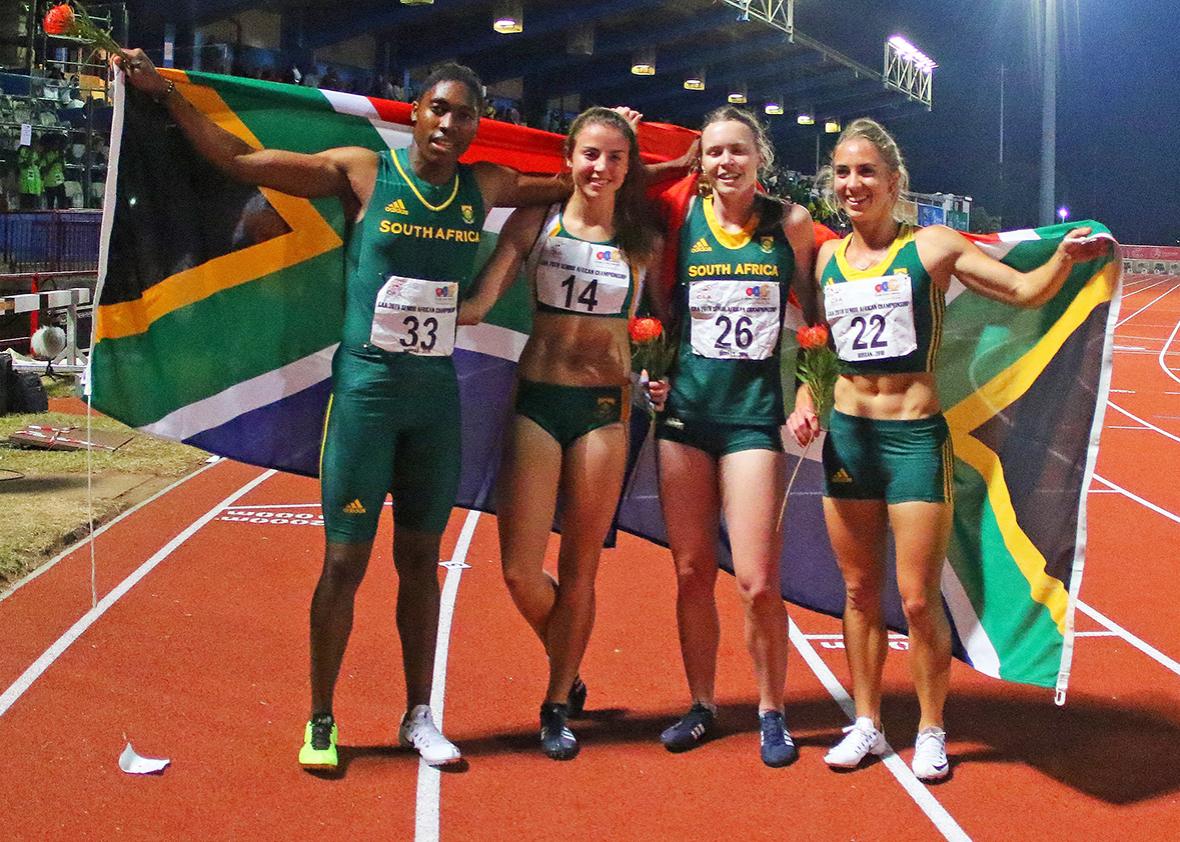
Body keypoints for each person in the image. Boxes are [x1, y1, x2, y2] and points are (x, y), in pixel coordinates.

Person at [117, 48, 578, 772]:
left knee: (421, 564)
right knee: (342, 561)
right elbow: (244, 160)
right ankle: (322, 719)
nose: (448, 124)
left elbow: (583, 180)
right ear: (417, 111)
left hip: (434, 398)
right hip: (366, 392)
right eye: (438, 108)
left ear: (475, 126)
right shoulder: (364, 171)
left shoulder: (485, 186)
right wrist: (167, 92)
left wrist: (665, 165)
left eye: (464, 114)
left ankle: (419, 716)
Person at [793, 117, 1109, 781]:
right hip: (848, 436)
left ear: (893, 182)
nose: (853, 184)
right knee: (856, 591)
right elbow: (816, 343)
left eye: (866, 173)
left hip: (912, 437)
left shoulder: (933, 245)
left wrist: (1064, 260)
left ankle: (932, 728)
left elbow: (1023, 292)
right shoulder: (826, 259)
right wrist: (806, 397)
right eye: (843, 173)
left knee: (914, 599)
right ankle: (869, 723)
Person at [459, 107, 661, 760]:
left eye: (615, 158)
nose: (600, 168)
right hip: (538, 399)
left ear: (629, 168)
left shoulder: (643, 238)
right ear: (569, 157)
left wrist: (659, 374)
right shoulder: (534, 221)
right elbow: (483, 301)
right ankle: (568, 659)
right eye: (591, 155)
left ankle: (554, 701)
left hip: (605, 408)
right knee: (520, 571)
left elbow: (659, 327)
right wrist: (423, 308)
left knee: (579, 567)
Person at [647, 106, 816, 767]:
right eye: (713, 153)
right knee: (690, 571)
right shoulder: (681, 219)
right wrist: (653, 373)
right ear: (701, 161)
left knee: (756, 581)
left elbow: (814, 320)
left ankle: (772, 710)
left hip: (750, 419)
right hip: (685, 418)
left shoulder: (788, 224)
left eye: (737, 152)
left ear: (758, 157)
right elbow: (659, 311)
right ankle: (702, 704)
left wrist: (807, 391)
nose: (725, 163)